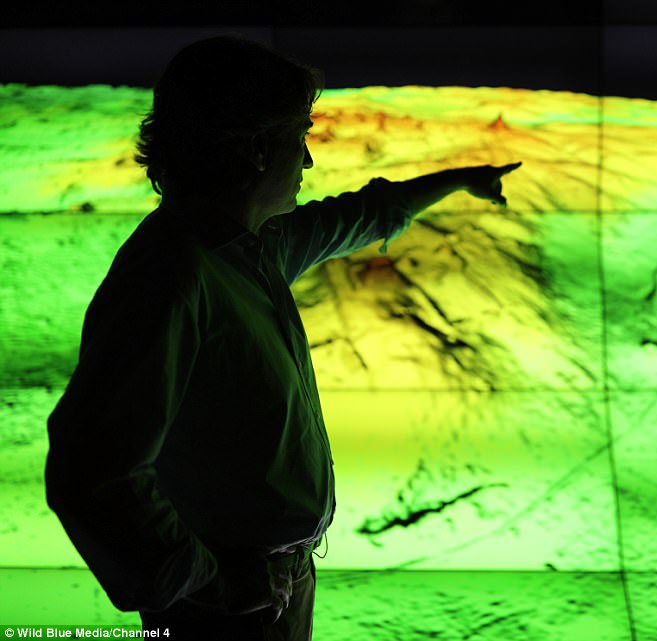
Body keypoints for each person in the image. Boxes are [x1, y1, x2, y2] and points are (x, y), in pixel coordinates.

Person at [43, 34, 521, 641]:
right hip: (225, 615)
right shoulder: (173, 276)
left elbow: (357, 216)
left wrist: (457, 179)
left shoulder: (248, 250)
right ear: (254, 150)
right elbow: (91, 474)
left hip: (268, 592)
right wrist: (210, 585)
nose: (308, 161)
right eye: (300, 139)